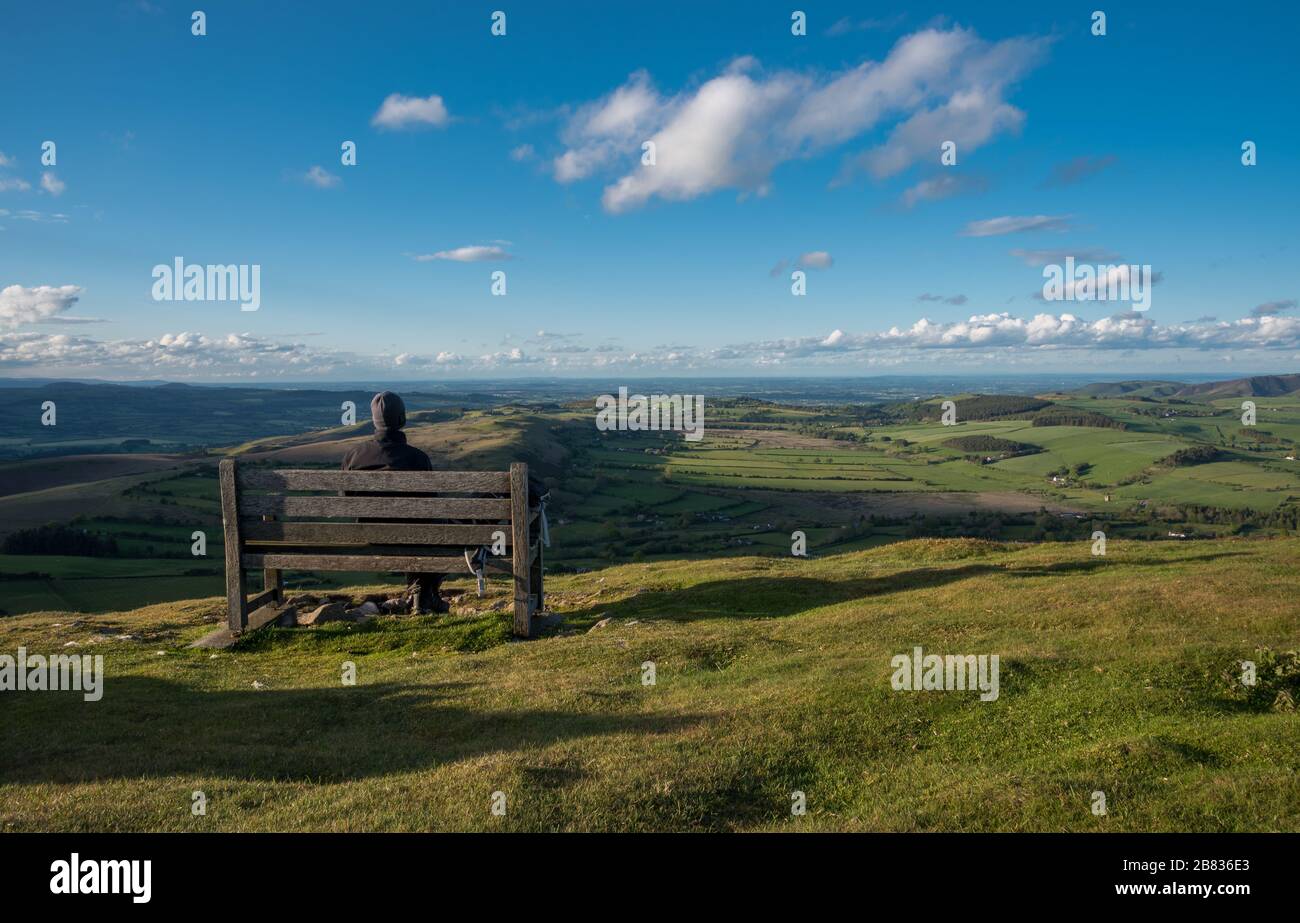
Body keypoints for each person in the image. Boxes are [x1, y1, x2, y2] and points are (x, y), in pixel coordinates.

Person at [341, 391, 447, 614]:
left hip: (369, 536)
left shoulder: (354, 456)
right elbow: (431, 504)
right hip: (415, 537)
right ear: (402, 419)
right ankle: (423, 597)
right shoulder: (417, 458)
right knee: (435, 532)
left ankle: (421, 597)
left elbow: (345, 500)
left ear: (374, 420)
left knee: (424, 532)